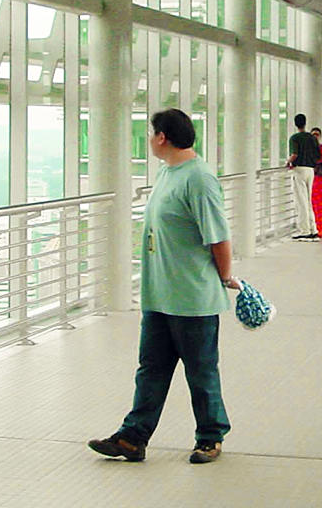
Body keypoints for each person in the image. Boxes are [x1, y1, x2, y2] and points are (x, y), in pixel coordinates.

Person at [89, 108, 241, 465]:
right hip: (159, 294)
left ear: (162, 137)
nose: (148, 138)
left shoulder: (199, 179)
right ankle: (133, 437)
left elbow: (219, 238)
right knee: (151, 368)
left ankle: (210, 436)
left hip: (193, 296)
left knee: (200, 370)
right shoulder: (167, 172)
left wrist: (223, 277)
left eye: (150, 132)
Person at [286, 112, 321, 239]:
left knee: (301, 201)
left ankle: (304, 231)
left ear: (295, 124)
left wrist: (288, 161)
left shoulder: (295, 138)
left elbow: (294, 154)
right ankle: (313, 229)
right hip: (310, 170)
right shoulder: (312, 138)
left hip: (299, 170)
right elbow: (318, 156)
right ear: (305, 123)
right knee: (308, 200)